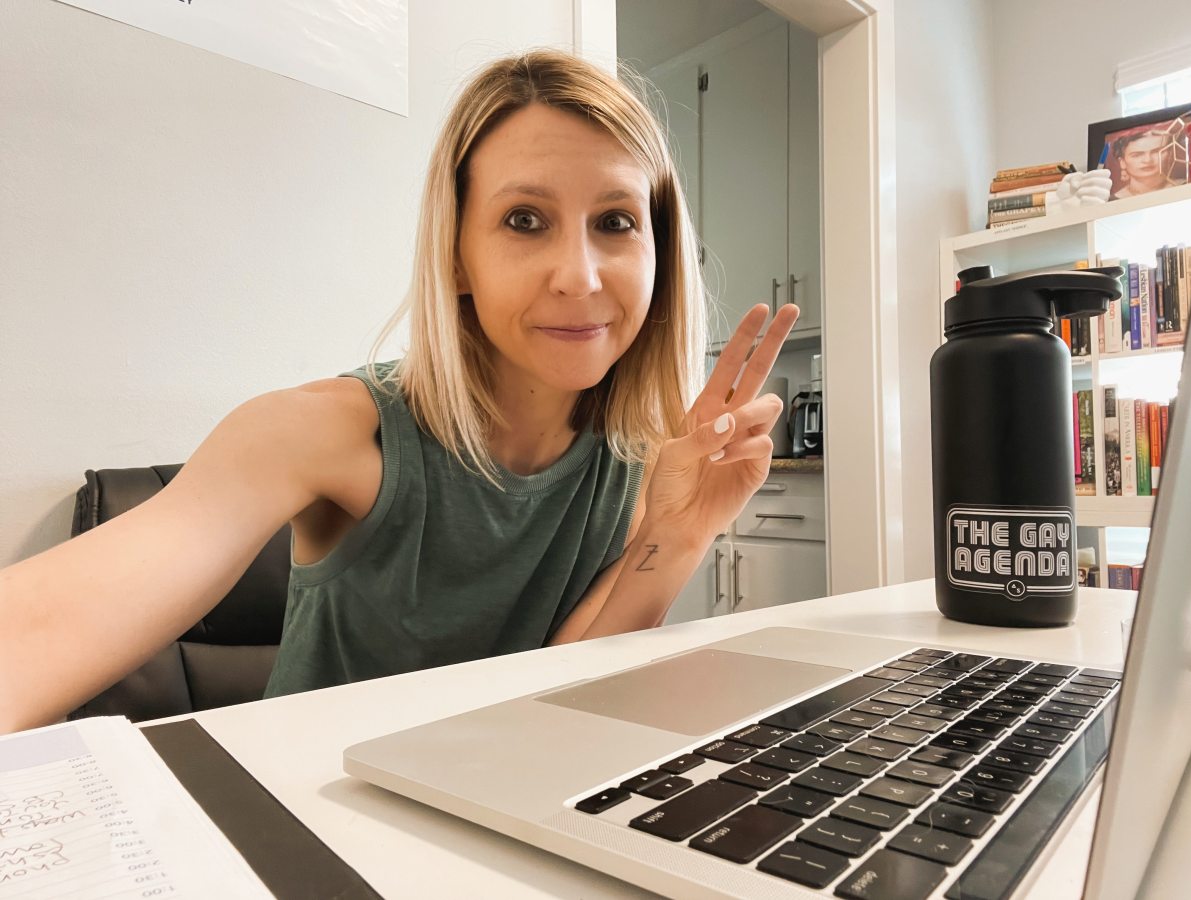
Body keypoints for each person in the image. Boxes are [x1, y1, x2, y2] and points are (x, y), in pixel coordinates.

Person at [0, 50, 798, 734]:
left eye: (617, 221)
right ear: (455, 256)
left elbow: (558, 692)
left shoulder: (642, 461)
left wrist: (682, 532)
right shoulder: (324, 431)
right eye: (525, 220)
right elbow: (37, 630)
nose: (580, 277)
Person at [1111, 128, 1176, 198]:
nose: (1147, 160)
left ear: (1170, 154)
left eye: (1156, 152)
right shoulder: (1111, 201)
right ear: (1122, 162)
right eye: (1137, 155)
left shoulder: (1185, 185)